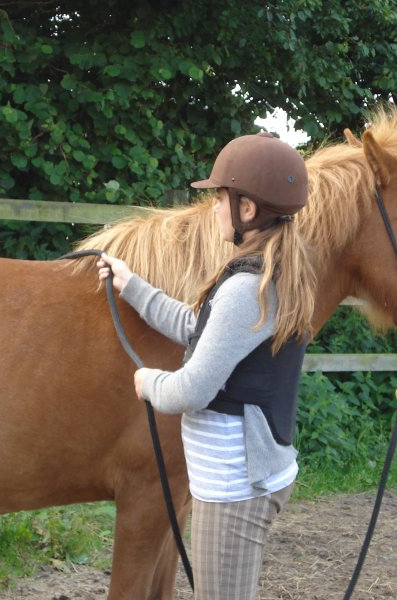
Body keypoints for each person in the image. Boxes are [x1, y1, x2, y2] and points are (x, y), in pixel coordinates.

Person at [98, 132, 317, 599]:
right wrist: (132, 285)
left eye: (220, 198)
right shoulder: (264, 276)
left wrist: (149, 382)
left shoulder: (246, 290)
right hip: (240, 479)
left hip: (234, 488)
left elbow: (193, 390)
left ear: (248, 209)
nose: (214, 209)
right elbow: (197, 326)